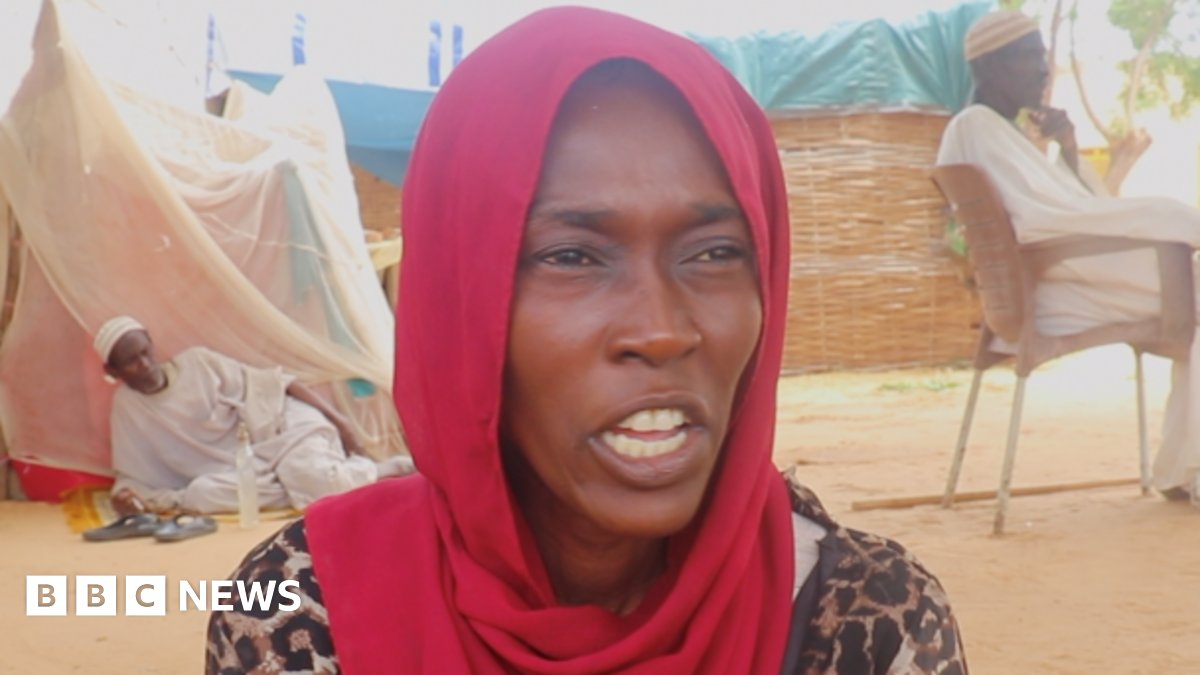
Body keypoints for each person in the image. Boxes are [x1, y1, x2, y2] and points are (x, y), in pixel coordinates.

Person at [205, 9, 967, 674]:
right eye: (572, 256)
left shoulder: (864, 618)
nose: (663, 329)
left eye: (714, 253)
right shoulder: (304, 611)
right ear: (460, 304)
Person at [938, 10, 1200, 500]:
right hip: (1054, 291)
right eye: (1029, 57)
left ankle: (1185, 468)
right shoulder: (977, 126)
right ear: (990, 67)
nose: (1043, 69)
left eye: (1043, 56)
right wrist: (1168, 217)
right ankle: (1182, 469)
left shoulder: (994, 131)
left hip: (1055, 280)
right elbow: (1045, 221)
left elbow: (1063, 209)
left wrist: (1068, 147)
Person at [96, 316, 412, 515]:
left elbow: (278, 383)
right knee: (201, 494)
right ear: (113, 371)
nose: (145, 364)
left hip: (282, 428)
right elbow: (133, 474)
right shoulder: (128, 408)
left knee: (313, 481)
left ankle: (390, 469)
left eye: (145, 353)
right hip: (240, 467)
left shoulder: (198, 363)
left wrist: (340, 421)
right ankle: (309, 478)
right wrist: (126, 496)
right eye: (131, 361)